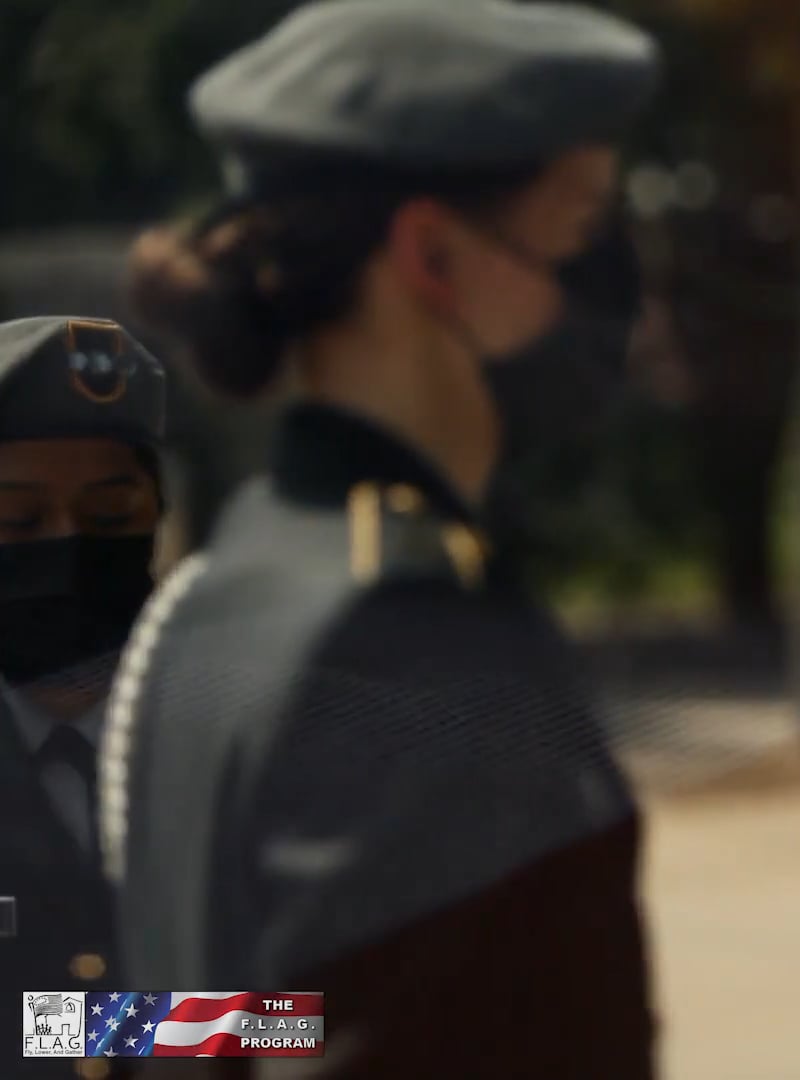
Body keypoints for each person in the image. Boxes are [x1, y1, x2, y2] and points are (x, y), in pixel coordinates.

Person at [97, 2, 662, 1076]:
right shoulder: (413, 650)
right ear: (434, 253)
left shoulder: (235, 576)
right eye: (582, 223)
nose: (619, 275)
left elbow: (229, 1018)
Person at [0, 316, 163, 1080]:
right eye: (17, 521)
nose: (67, 547)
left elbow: (307, 1018)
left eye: (108, 519)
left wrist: (55, 1026)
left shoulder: (240, 729)